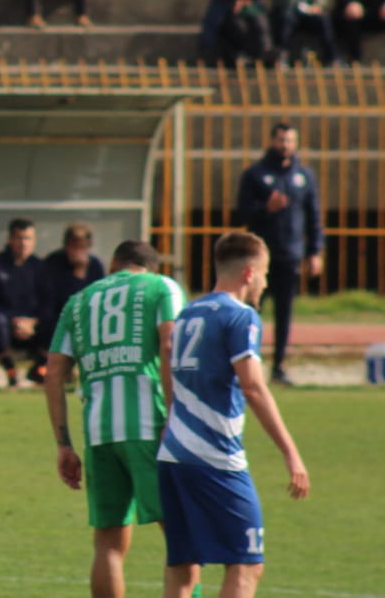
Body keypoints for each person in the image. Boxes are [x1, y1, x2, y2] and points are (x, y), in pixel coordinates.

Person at [157, 232, 311, 598]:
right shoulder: (242, 317)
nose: (266, 282)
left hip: (173, 456)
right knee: (246, 563)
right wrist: (292, 453)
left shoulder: (187, 313)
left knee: (182, 568)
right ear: (248, 273)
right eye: (265, 273)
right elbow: (253, 387)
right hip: (215, 458)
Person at [43, 239, 185, 598]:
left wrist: (63, 444)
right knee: (182, 534)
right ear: (150, 266)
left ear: (113, 264)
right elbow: (169, 346)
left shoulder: (79, 300)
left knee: (108, 542)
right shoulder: (161, 286)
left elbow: (54, 371)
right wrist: (175, 416)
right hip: (149, 426)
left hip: (98, 433)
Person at [233, 123, 322, 386]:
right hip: (259, 259)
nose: (285, 145)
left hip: (289, 255)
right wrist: (265, 209)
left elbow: (314, 216)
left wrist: (315, 251)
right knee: (251, 311)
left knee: (285, 312)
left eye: (290, 140)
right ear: (272, 140)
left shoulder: (303, 175)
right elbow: (242, 213)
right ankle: (247, 364)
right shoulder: (255, 174)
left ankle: (279, 366)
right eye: (281, 140)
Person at [0, 218, 47, 385]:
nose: (23, 243)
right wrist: (14, 320)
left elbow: (48, 301)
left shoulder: (40, 267)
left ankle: (41, 368)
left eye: (28, 238)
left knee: (56, 321)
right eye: (19, 238)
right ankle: (10, 369)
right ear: (10, 239)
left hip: (32, 328)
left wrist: (32, 321)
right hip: (4, 326)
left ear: (34, 241)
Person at [40, 224, 106, 348]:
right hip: (57, 315)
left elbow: (98, 297)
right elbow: (53, 296)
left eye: (82, 247)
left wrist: (81, 272)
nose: (78, 252)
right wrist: (76, 276)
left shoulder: (95, 266)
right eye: (74, 247)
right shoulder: (53, 262)